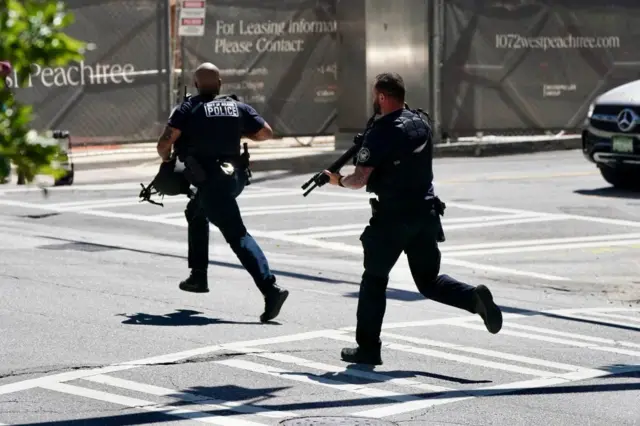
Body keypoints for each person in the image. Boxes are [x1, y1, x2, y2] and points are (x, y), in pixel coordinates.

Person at [323, 72, 503, 365]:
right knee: (428, 280)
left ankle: (368, 348)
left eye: (374, 96)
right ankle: (474, 299)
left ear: (382, 96)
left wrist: (336, 181)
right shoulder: (420, 121)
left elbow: (359, 179)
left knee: (374, 280)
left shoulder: (382, 132)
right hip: (426, 212)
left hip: (393, 217)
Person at [156, 62, 289, 323]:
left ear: (195, 84)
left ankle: (270, 288)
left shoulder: (188, 108)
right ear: (219, 84)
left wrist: (167, 160)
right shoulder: (236, 106)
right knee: (195, 210)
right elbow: (266, 133)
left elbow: (164, 143)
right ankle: (198, 276)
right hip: (234, 178)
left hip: (211, 182)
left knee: (237, 235)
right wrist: (236, 130)